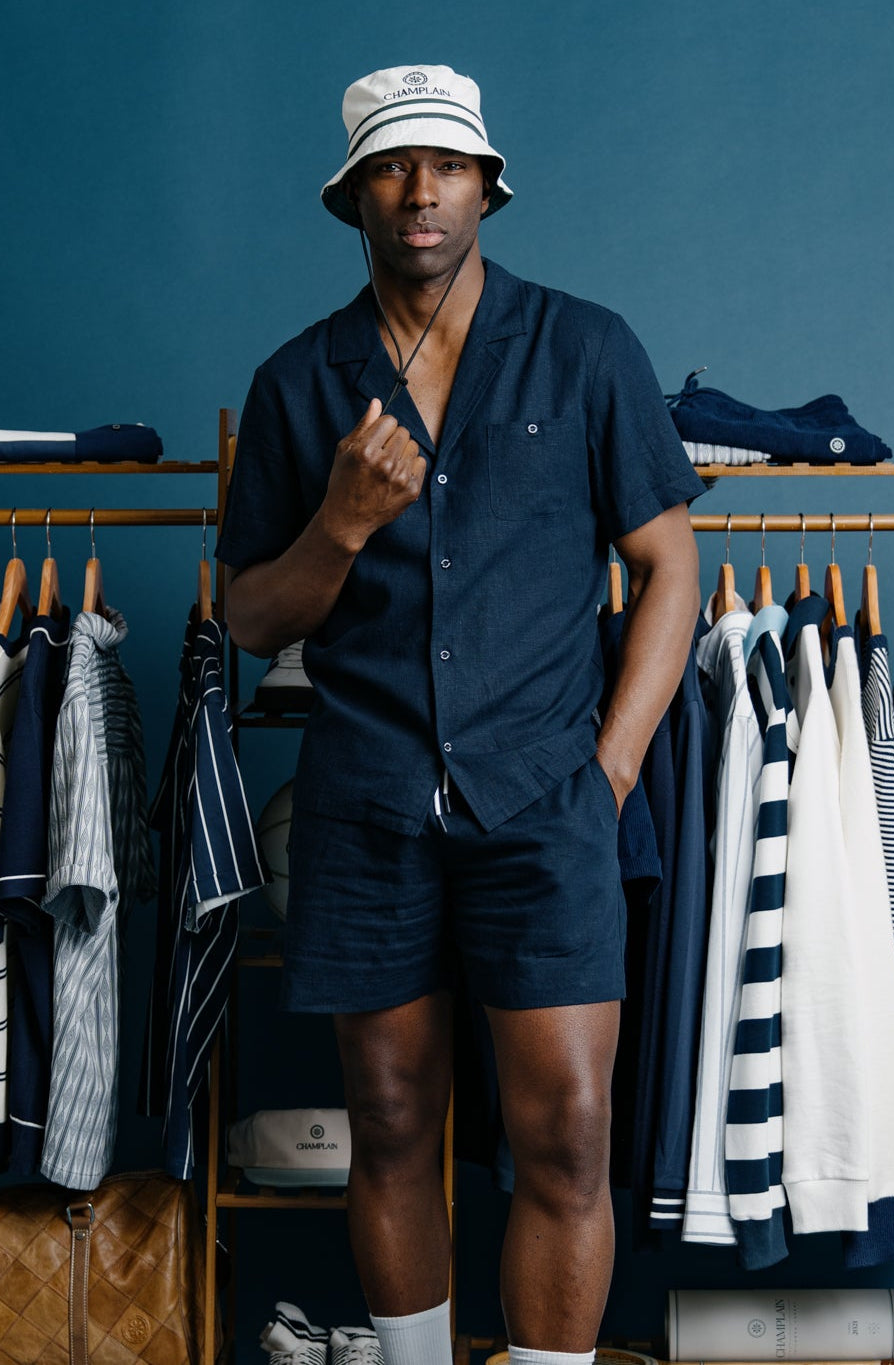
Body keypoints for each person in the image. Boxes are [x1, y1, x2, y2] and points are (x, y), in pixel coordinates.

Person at [220, 64, 704, 1365]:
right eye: (391, 166)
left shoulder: (586, 348)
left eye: (444, 164)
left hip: (542, 809)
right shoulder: (295, 383)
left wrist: (605, 771)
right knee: (388, 1122)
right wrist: (341, 521)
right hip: (364, 807)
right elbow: (252, 618)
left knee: (566, 1128)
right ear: (352, 199)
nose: (419, 188)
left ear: (486, 186)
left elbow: (672, 566)